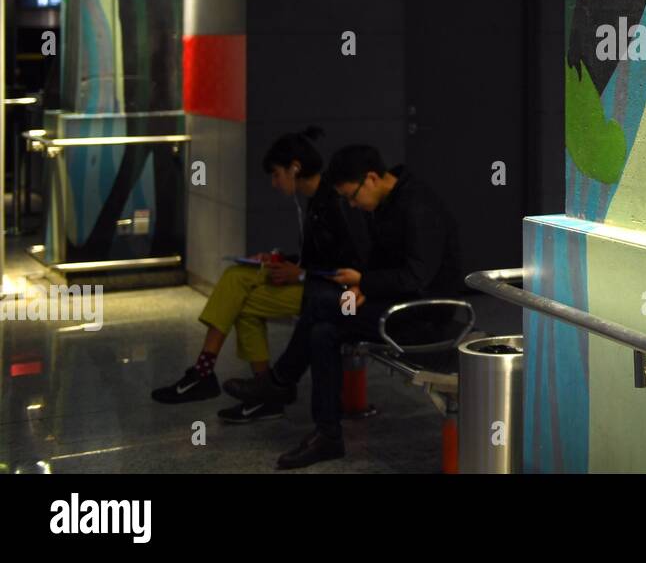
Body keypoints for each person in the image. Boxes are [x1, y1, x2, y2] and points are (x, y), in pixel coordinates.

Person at [223, 145, 460, 469]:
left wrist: (366, 281)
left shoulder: (418, 206)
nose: (351, 205)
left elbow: (417, 275)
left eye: (352, 196)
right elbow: (382, 265)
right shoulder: (386, 203)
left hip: (420, 315)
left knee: (321, 302)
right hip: (387, 301)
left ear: (372, 179)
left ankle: (278, 383)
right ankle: (327, 435)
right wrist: (361, 284)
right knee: (323, 330)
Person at [151, 127, 368, 422]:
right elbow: (320, 256)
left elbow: (349, 265)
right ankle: (259, 392)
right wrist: (281, 260)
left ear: (295, 168)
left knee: (239, 291)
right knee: (239, 280)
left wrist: (301, 273)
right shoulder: (318, 201)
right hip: (314, 282)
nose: (274, 183)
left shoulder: (336, 202)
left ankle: (214, 376)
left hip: (337, 293)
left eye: (277, 174)